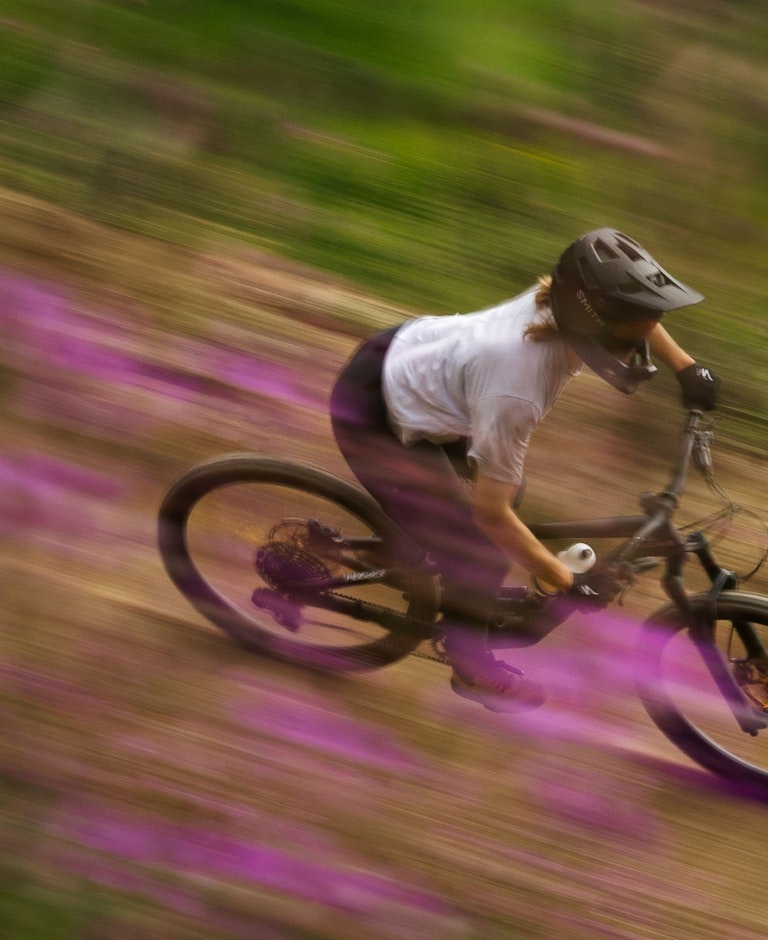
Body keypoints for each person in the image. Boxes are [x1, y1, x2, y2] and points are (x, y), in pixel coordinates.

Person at [330, 228, 719, 712]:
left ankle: (399, 550)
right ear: (596, 320)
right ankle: (469, 664)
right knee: (480, 552)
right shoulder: (516, 385)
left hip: (418, 365)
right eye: (633, 321)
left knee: (508, 495)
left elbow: (637, 315)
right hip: (373, 412)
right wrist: (567, 580)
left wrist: (686, 367)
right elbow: (491, 515)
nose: (646, 329)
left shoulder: (566, 302)